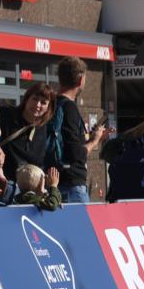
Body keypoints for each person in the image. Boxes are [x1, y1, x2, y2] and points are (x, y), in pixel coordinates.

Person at [47, 56, 111, 203]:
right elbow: (76, 153)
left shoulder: (52, 104)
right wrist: (95, 141)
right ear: (80, 80)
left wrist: (94, 137)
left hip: (53, 179)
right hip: (72, 184)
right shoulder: (69, 107)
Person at [0, 82, 56, 185]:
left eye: (43, 102)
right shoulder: (6, 115)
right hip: (3, 183)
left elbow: (39, 163)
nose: (38, 105)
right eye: (35, 99)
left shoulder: (43, 129)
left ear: (48, 107)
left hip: (27, 188)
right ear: (26, 99)